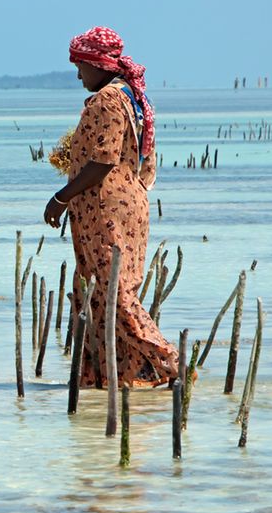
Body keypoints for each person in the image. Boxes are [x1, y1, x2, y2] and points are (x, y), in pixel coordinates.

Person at [43, 26, 178, 387]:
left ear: (98, 64)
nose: (77, 74)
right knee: (100, 292)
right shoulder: (132, 96)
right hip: (126, 201)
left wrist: (61, 197)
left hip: (107, 207)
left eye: (81, 66)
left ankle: (167, 362)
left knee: (112, 293)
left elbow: (102, 161)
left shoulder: (106, 99)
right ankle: (114, 377)